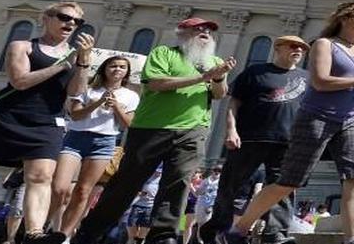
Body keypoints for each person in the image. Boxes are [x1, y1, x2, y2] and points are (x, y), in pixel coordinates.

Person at [222, 3, 354, 244]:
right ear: (345, 18)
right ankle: (239, 229)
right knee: (289, 181)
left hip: (350, 119)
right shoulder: (324, 44)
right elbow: (320, 82)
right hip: (317, 117)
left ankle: (352, 239)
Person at [0, 2, 95, 244]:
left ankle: (34, 233)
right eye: (65, 17)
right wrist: (62, 65)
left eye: (77, 21)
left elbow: (76, 93)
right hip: (4, 118)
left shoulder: (75, 56)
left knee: (41, 177)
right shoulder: (22, 46)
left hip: (46, 121)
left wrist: (83, 62)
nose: (71, 24)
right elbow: (20, 81)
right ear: (47, 17)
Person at [72, 18, 236, 244]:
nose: (205, 32)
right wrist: (203, 77)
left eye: (209, 30)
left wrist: (217, 77)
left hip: (193, 129)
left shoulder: (215, 62)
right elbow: (156, 83)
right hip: (151, 128)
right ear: (183, 32)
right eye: (199, 28)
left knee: (178, 182)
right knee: (127, 183)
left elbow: (219, 94)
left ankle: (163, 235)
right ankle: (92, 231)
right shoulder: (164, 53)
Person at [198, 36, 310, 244]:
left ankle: (275, 234)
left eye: (302, 48)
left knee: (283, 188)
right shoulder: (255, 73)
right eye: (293, 46)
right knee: (231, 185)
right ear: (278, 48)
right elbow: (233, 103)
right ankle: (217, 229)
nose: (299, 50)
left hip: (287, 142)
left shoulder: (307, 78)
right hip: (249, 138)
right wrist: (231, 130)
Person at [51, 56, 139, 237]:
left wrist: (116, 107)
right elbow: (75, 115)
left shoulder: (130, 95)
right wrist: (98, 102)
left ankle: (64, 236)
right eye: (113, 66)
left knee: (83, 191)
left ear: (127, 72)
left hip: (104, 142)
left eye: (122, 67)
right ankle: (41, 227)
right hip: (75, 138)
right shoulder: (88, 89)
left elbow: (128, 124)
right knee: (60, 188)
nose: (117, 69)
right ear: (104, 69)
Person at [127, 169, 162, 244]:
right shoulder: (146, 175)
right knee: (132, 237)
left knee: (186, 227)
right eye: (158, 171)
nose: (158, 173)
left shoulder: (162, 179)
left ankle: (182, 240)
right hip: (136, 206)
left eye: (160, 171)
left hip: (150, 208)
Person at [185, 167, 219, 244]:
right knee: (186, 226)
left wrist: (191, 187)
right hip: (188, 204)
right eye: (193, 173)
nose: (193, 175)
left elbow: (198, 195)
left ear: (200, 174)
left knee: (196, 226)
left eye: (195, 173)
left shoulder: (204, 182)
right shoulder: (194, 181)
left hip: (198, 206)